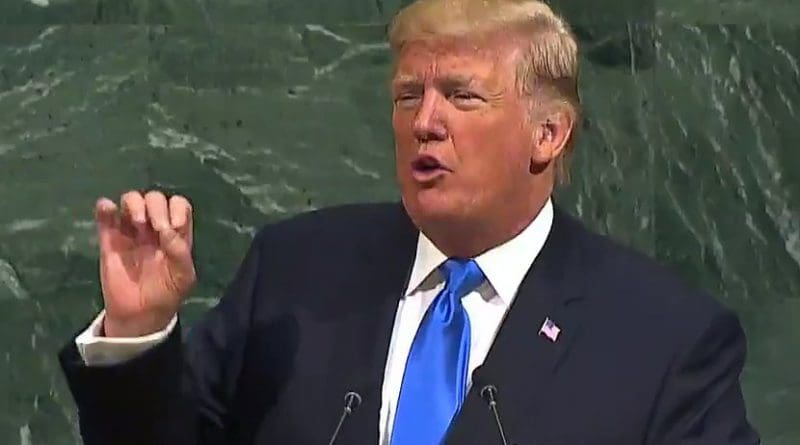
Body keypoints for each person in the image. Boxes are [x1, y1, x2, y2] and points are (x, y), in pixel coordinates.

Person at [58, 0, 761, 444]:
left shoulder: (661, 338)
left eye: (461, 95)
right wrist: (139, 332)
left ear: (548, 134)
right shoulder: (296, 272)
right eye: (407, 95)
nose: (425, 122)